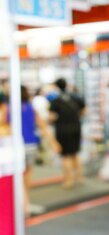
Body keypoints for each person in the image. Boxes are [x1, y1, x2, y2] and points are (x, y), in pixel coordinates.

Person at [19, 86, 60, 216]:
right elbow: (43, 127)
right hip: (31, 146)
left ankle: (23, 206)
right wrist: (54, 143)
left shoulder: (8, 109)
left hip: (17, 147)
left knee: (18, 178)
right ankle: (25, 203)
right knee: (26, 176)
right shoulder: (31, 109)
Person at [48, 78, 86, 188]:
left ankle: (68, 180)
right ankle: (79, 177)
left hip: (62, 130)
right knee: (75, 153)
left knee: (65, 155)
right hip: (76, 128)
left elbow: (52, 117)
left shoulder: (55, 100)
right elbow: (84, 111)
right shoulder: (76, 97)